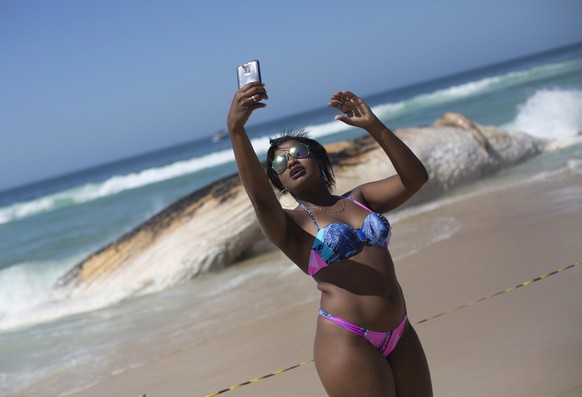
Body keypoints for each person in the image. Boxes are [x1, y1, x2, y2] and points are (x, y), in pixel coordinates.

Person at [227, 81, 433, 397]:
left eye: (298, 152)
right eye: (279, 164)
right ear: (280, 183)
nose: (290, 161)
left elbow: (415, 178)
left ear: (319, 160)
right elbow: (261, 200)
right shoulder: (290, 226)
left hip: (400, 329)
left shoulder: (361, 199)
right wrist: (236, 130)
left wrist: (373, 125)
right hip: (348, 340)